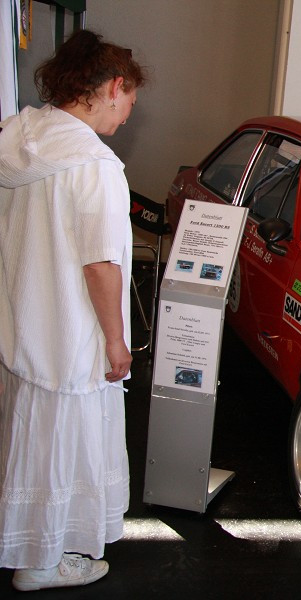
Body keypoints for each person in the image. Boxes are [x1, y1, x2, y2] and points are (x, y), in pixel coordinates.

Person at [0, 30, 146, 591]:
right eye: (130, 102)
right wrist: (115, 341)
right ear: (114, 87)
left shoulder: (20, 138)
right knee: (61, 447)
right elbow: (101, 264)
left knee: (32, 447)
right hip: (69, 337)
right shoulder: (94, 165)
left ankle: (31, 549)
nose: (129, 116)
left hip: (25, 326)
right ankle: (41, 562)